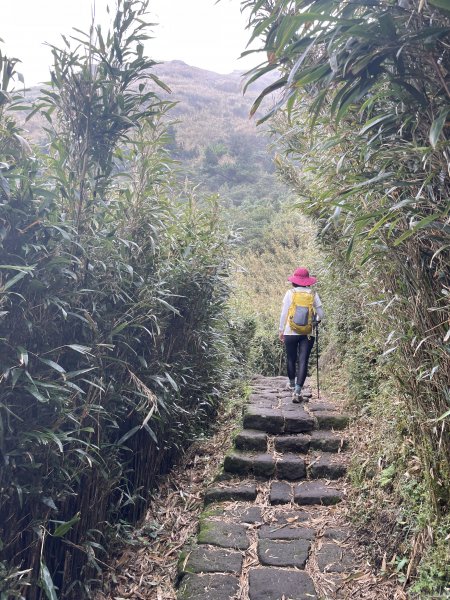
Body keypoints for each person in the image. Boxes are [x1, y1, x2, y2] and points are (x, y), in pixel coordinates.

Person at [278, 267, 324, 402]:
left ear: (294, 281)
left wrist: (281, 330)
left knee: (291, 358)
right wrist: (316, 320)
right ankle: (297, 392)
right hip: (307, 333)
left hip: (290, 331)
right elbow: (321, 314)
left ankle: (291, 383)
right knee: (303, 360)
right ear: (308, 281)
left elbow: (284, 313)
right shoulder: (313, 294)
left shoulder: (290, 293)